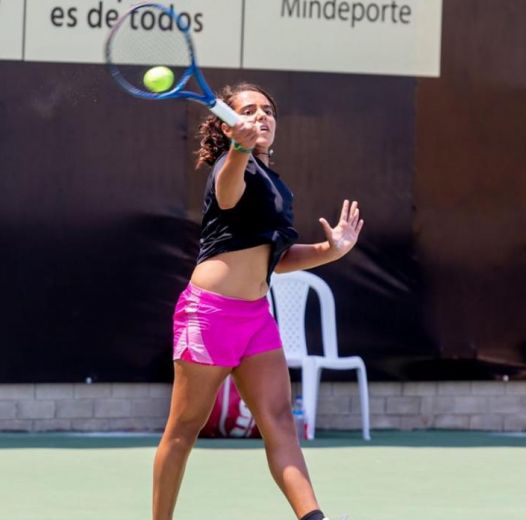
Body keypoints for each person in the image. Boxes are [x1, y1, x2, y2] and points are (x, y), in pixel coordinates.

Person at [152, 83, 364, 520]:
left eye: (268, 110)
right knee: (183, 430)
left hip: (256, 319)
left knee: (281, 422)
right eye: (250, 110)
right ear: (229, 123)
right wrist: (238, 150)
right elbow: (228, 195)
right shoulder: (231, 167)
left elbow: (276, 258)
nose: (262, 116)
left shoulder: (275, 187)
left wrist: (331, 251)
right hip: (208, 314)